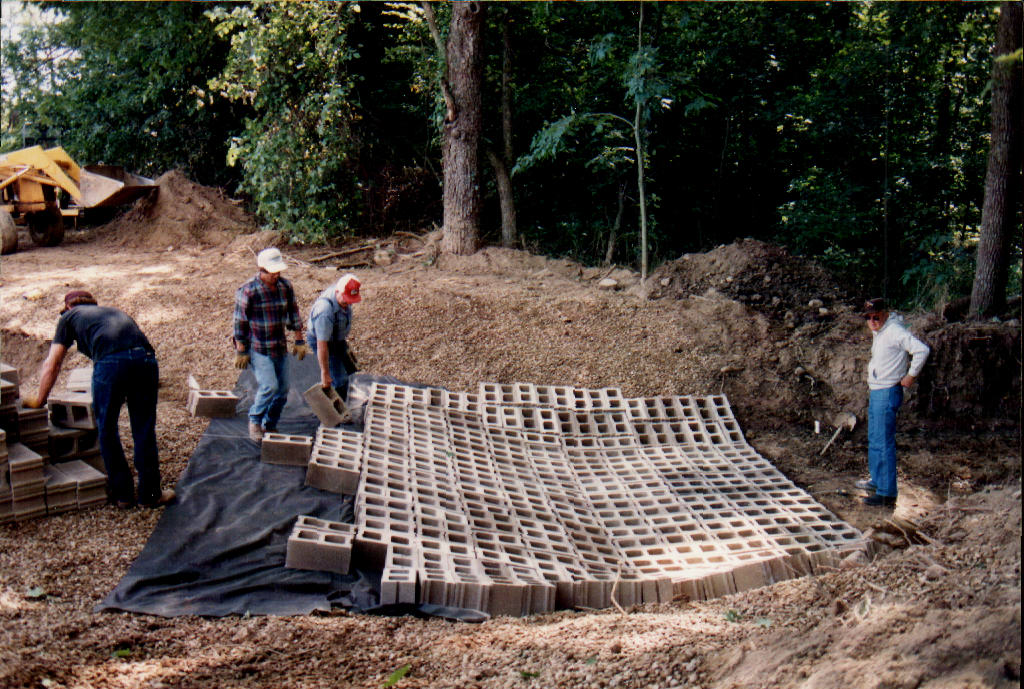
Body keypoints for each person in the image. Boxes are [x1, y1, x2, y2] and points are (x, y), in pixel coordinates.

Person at [25, 290, 174, 508]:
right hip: (146, 360)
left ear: (67, 307)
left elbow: (53, 363)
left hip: (112, 363)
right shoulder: (111, 312)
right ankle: (151, 495)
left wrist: (40, 399)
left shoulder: (68, 317)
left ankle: (123, 495)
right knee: (143, 428)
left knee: (107, 428)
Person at [857, 298, 930, 508]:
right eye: (868, 318)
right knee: (874, 438)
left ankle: (887, 493)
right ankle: (877, 481)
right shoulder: (881, 331)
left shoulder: (894, 331)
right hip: (877, 390)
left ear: (885, 313)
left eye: (876, 316)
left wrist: (911, 376)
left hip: (888, 391)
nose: (872, 321)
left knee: (883, 442)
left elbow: (921, 350)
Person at [233, 247, 308, 441]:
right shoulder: (248, 291)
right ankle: (255, 420)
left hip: (279, 346)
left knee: (283, 391)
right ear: (261, 269)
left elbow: (293, 314)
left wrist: (299, 340)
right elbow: (240, 322)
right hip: (258, 348)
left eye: (277, 271)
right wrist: (241, 350)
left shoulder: (285, 287)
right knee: (269, 386)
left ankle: (271, 424)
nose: (275, 275)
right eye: (271, 272)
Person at [306, 273, 361, 400]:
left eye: (350, 300)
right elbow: (322, 344)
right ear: (338, 292)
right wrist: (325, 373)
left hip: (336, 337)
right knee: (339, 380)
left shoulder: (342, 295)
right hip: (324, 342)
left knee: (350, 369)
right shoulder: (325, 311)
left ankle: (339, 389)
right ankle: (332, 414)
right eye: (346, 299)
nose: (348, 303)